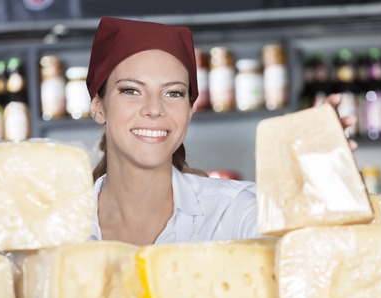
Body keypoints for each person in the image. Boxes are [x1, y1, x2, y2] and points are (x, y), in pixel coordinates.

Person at [87, 17, 357, 246]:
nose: (154, 109)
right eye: (131, 90)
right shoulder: (59, 223)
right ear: (98, 107)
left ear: (190, 109)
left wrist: (322, 184)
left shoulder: (234, 210)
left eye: (173, 93)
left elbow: (314, 258)